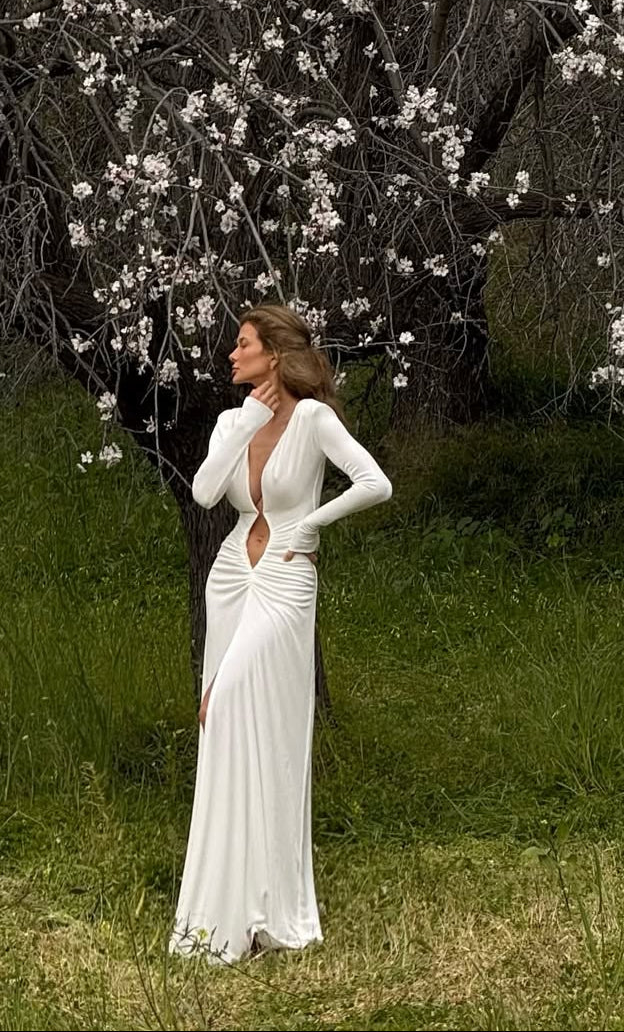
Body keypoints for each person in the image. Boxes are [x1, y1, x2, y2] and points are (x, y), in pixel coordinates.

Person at [169, 304, 392, 963]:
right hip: (231, 577)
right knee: (223, 727)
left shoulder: (314, 418)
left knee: (246, 711)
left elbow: (375, 483)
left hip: (288, 578)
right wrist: (246, 423)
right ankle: (231, 916)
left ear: (273, 354)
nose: (231, 355)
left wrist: (310, 524)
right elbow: (206, 494)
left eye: (243, 345)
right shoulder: (231, 421)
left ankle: (274, 905)